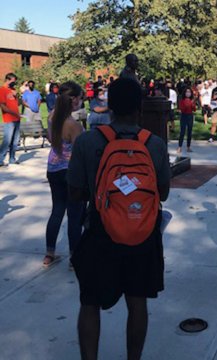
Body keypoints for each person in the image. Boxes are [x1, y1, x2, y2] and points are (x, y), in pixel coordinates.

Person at [68, 78, 170, 360]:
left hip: (100, 232)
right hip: (143, 234)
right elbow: (163, 193)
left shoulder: (88, 141)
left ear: (109, 106)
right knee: (138, 303)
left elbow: (75, 193)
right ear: (139, 106)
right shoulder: (155, 144)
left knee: (89, 302)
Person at [44, 81, 86, 267]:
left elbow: (50, 138)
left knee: (57, 210)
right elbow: (79, 153)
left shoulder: (52, 116)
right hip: (70, 171)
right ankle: (75, 257)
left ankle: (49, 253)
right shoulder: (73, 125)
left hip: (53, 168)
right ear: (75, 99)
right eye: (81, 98)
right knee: (75, 215)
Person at [0, 73, 21, 167]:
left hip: (17, 119)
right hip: (9, 119)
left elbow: (18, 104)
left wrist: (17, 96)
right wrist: (14, 113)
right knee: (7, 140)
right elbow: (3, 107)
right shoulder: (2, 90)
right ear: (8, 79)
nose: (14, 83)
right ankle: (0, 159)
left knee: (15, 140)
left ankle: (12, 159)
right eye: (13, 81)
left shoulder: (13, 90)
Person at [177, 87, 196, 153]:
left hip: (190, 116)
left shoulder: (192, 100)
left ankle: (188, 146)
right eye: (187, 92)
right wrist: (189, 104)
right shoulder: (182, 100)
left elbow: (194, 109)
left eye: (189, 92)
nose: (188, 93)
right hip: (184, 116)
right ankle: (180, 146)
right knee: (182, 131)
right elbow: (183, 109)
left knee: (189, 132)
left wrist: (192, 104)